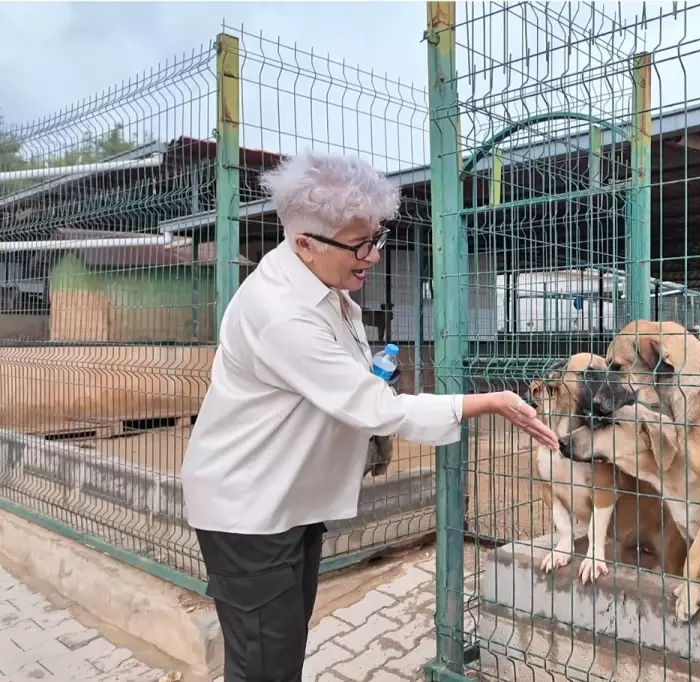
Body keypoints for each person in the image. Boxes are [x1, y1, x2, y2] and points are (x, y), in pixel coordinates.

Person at [180, 149, 558, 682]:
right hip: (248, 506)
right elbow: (375, 408)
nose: (373, 255)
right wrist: (491, 401)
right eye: (361, 244)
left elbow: (349, 389)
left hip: (286, 498)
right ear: (305, 244)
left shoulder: (320, 287)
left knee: (282, 644)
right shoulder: (281, 313)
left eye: (376, 239)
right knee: (265, 661)